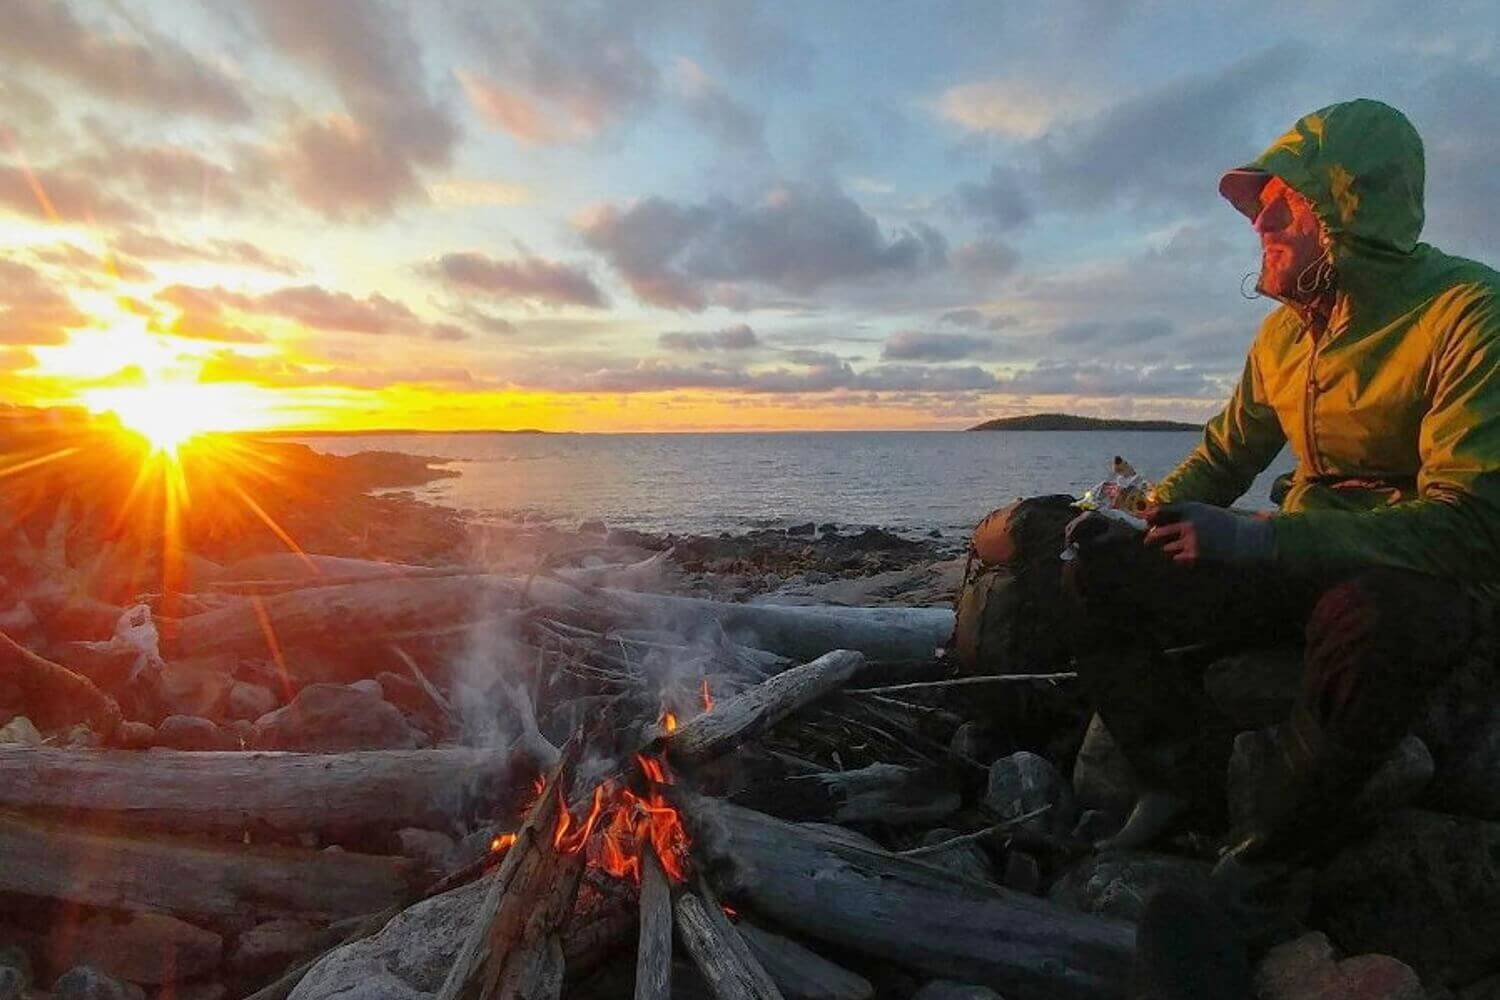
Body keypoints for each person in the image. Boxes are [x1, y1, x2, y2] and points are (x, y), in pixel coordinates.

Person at [1060, 98, 1500, 865]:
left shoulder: (1467, 311)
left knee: (1380, 617)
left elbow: (1469, 526)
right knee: (1085, 555)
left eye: (1283, 202)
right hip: (1290, 560)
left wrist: (1265, 540)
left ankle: (1271, 855)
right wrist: (1131, 511)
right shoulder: (1285, 336)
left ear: (1346, 207)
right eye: (1256, 206)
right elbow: (1225, 458)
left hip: (1402, 571)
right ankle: (1178, 778)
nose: (1259, 222)